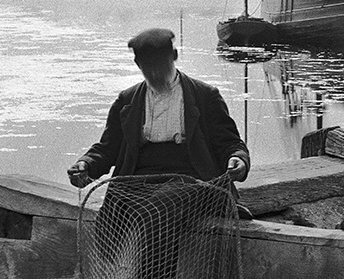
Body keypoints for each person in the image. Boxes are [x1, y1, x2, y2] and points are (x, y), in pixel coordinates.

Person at [67, 28, 250, 187]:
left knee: (158, 208)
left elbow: (228, 142)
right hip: (137, 177)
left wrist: (238, 158)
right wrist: (86, 164)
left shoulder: (205, 95)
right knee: (110, 217)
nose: (155, 72)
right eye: (148, 66)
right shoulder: (126, 101)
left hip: (192, 177)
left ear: (175, 56)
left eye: (160, 65)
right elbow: (108, 148)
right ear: (138, 64)